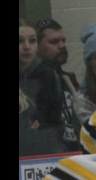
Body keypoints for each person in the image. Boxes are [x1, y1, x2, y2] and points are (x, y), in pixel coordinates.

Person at [19, 18, 67, 156]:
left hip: (42, 148)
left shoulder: (47, 75)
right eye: (20, 41)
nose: (27, 47)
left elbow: (53, 120)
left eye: (32, 41)